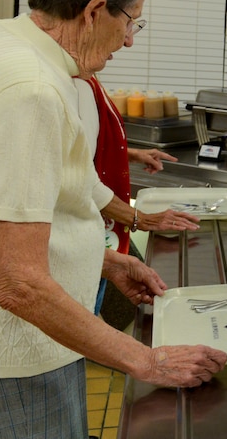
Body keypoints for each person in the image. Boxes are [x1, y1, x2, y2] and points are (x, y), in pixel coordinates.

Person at [0, 0, 227, 439]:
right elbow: (20, 284)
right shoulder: (29, 90)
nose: (130, 39)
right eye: (131, 21)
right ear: (95, 10)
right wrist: (147, 361)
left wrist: (98, 258)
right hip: (12, 357)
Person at [75, 74, 200, 315]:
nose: (128, 41)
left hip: (98, 234)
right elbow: (80, 179)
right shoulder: (63, 82)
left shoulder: (85, 77)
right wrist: (141, 219)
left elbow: (90, 146)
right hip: (85, 229)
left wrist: (129, 153)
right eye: (125, 33)